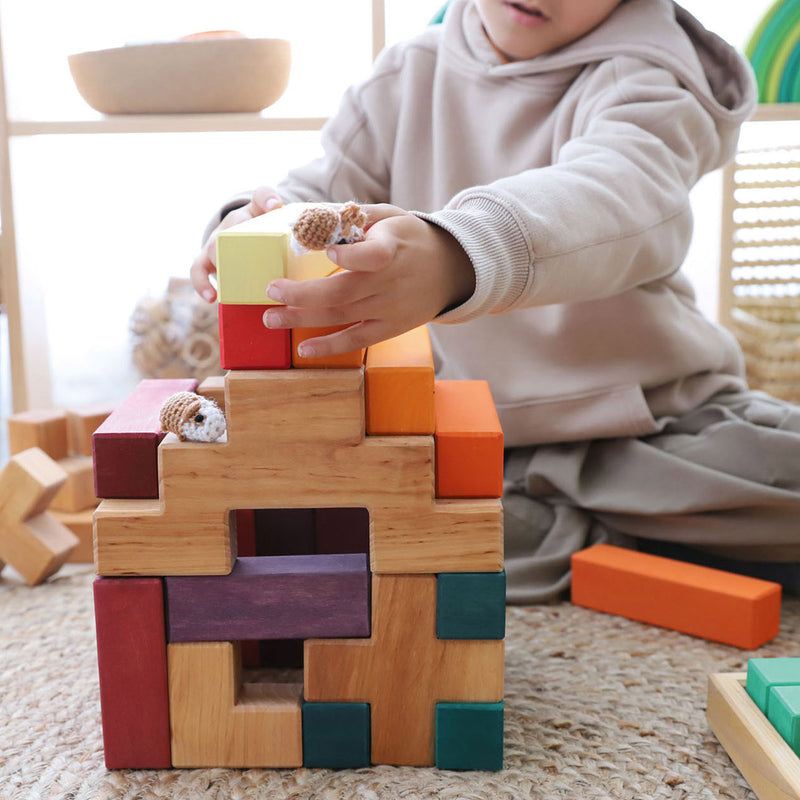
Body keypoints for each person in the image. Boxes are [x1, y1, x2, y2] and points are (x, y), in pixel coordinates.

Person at [191, 0, 800, 603]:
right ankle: (597, 537)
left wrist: (457, 251)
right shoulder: (405, 75)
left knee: (774, 474)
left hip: (653, 420)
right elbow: (314, 196)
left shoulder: (649, 76)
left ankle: (596, 535)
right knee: (334, 521)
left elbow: (622, 189)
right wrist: (246, 223)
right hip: (475, 440)